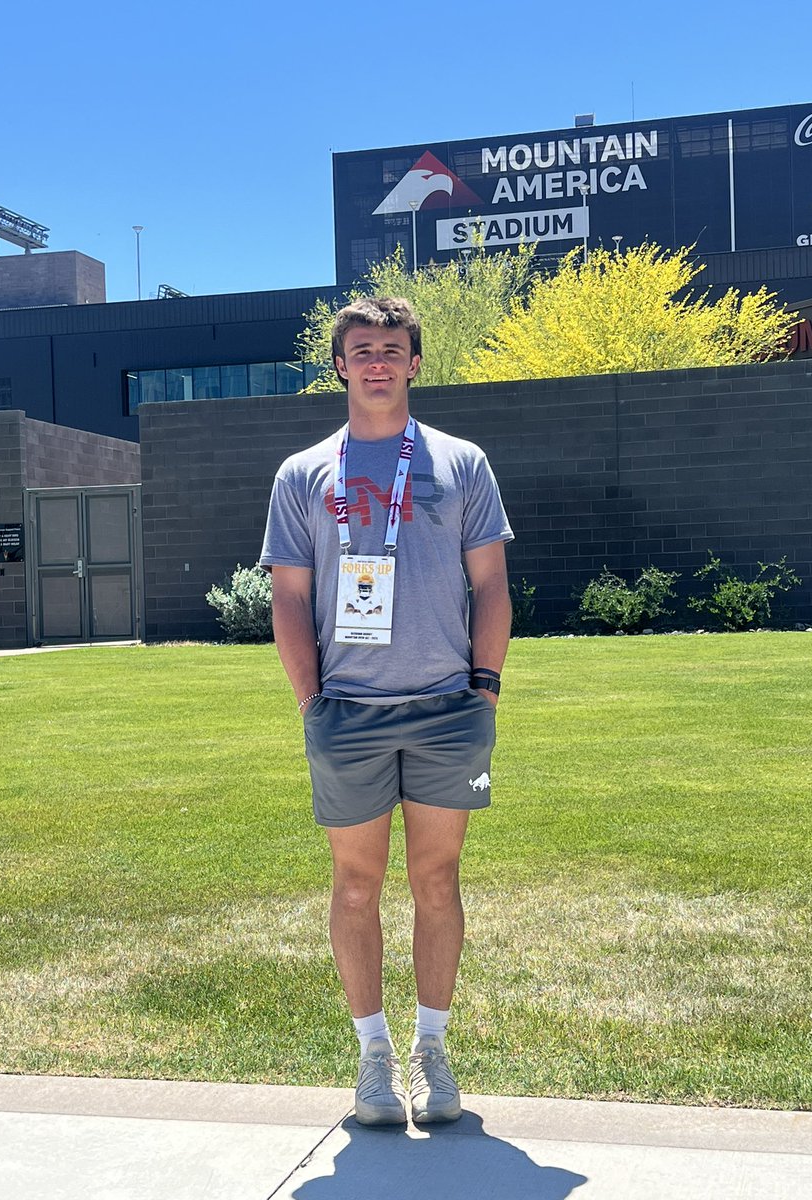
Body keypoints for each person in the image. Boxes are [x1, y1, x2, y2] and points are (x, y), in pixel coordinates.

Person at [260, 296, 512, 1125]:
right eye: (360, 348)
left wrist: (485, 684)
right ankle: (373, 1058)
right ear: (337, 364)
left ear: (413, 363)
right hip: (350, 713)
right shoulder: (304, 473)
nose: (376, 361)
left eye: (391, 349)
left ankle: (433, 1050)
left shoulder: (461, 461)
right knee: (357, 885)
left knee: (437, 880)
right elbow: (289, 598)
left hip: (446, 709)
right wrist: (310, 702)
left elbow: (491, 585)